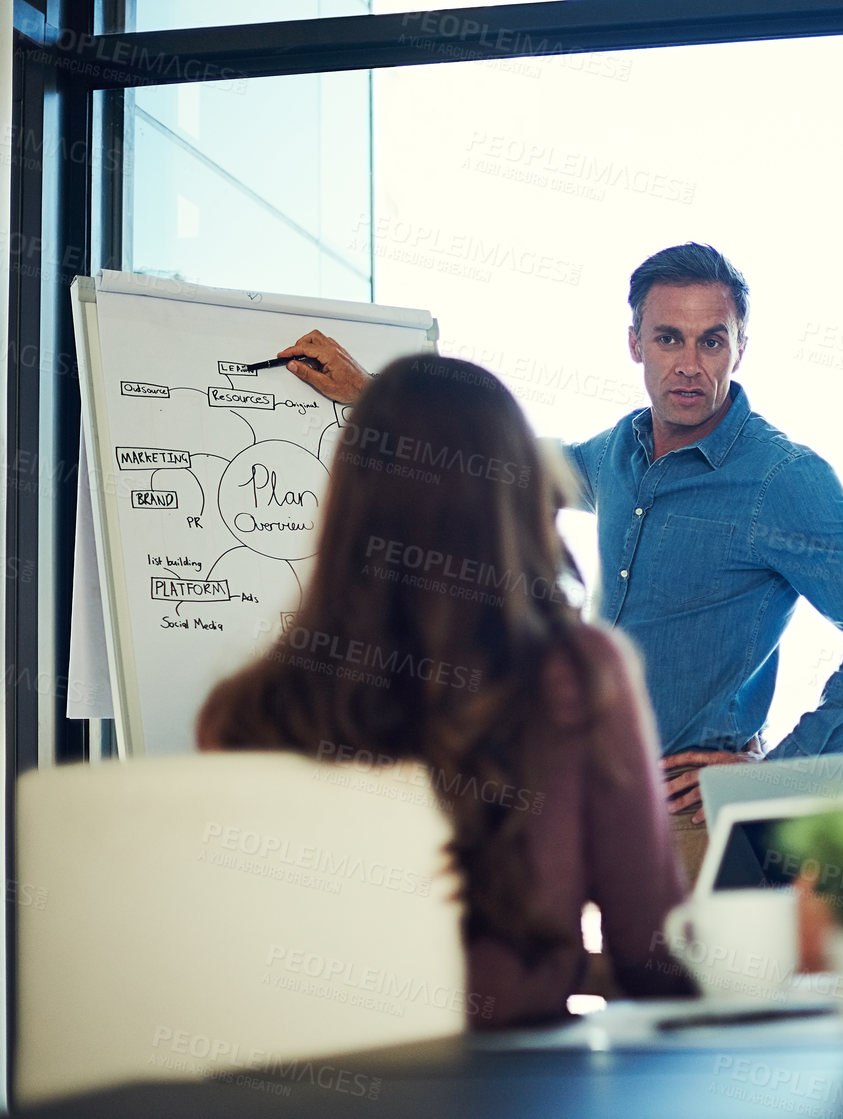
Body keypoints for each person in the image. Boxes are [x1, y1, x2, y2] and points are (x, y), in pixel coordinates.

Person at [279, 244, 843, 882]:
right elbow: (504, 466)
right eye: (669, 338)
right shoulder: (621, 450)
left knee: (693, 985)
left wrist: (779, 779)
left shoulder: (783, 480)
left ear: (741, 346)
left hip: (699, 826)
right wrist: (370, 395)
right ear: (635, 343)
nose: (690, 365)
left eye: (712, 341)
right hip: (593, 795)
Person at [197, 355, 693, 1028]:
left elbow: (235, 957)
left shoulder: (243, 712)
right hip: (509, 1092)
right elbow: (652, 957)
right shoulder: (576, 680)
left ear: (350, 503)